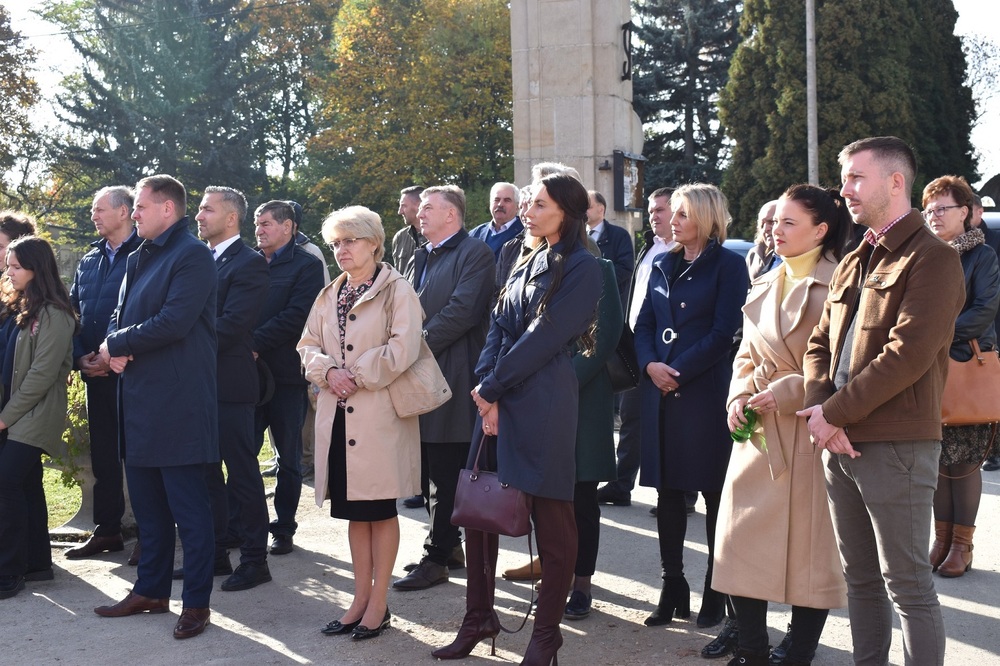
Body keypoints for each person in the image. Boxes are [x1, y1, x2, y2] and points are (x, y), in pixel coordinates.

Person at [799, 136, 965, 666]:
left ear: (896, 183)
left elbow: (908, 354)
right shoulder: (855, 258)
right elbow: (819, 344)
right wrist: (821, 410)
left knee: (909, 588)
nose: (843, 189)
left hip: (896, 445)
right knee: (861, 583)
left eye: (855, 178)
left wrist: (833, 414)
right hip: (839, 443)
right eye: (843, 178)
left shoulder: (933, 259)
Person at [434, 173, 602, 664]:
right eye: (528, 202)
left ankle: (546, 636)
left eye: (539, 204)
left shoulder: (584, 266)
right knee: (478, 515)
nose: (528, 210)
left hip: (544, 400)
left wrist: (492, 387)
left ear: (567, 211)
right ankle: (477, 618)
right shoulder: (523, 256)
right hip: (498, 397)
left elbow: (547, 336)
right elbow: (499, 326)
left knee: (553, 520)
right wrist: (487, 391)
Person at [712, 185, 852, 666]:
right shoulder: (765, 279)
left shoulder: (839, 281)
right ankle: (751, 649)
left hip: (811, 430)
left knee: (811, 555)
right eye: (775, 222)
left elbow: (841, 361)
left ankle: (798, 651)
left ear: (821, 229)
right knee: (738, 544)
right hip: (756, 433)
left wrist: (790, 390)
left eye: (789, 223)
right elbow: (746, 354)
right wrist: (737, 395)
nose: (776, 230)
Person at [94, 175, 218, 640]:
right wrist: (113, 344)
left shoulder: (192, 256)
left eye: (142, 206)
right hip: (140, 402)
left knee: (190, 511)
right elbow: (117, 314)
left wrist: (117, 344)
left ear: (168, 209)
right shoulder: (140, 254)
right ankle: (150, 590)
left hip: (179, 404)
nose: (135, 212)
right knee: (148, 510)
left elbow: (175, 321)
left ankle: (198, 604)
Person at [298, 205, 422, 641]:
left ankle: (380, 602)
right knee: (354, 513)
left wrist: (356, 375)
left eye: (349, 240)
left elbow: (404, 348)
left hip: (378, 417)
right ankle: (358, 599)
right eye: (335, 243)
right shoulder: (329, 293)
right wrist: (328, 373)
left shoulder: (397, 290)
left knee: (380, 509)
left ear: (373, 242)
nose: (341, 250)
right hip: (338, 416)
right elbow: (308, 344)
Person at [633, 183, 748, 630]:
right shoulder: (662, 263)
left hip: (703, 394)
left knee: (714, 494)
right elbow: (642, 324)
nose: (671, 221)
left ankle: (717, 586)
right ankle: (672, 584)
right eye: (671, 214)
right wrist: (648, 366)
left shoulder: (729, 266)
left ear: (704, 217)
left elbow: (725, 332)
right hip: (659, 394)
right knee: (667, 494)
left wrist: (675, 370)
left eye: (681, 214)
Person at [393, 186, 494, 591]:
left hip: (453, 373)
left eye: (430, 207)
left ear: (452, 215)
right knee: (431, 468)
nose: (420, 212)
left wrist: (411, 348)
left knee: (448, 466)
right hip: (422, 372)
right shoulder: (422, 253)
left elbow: (462, 312)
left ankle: (437, 557)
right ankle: (448, 547)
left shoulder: (475, 253)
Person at [193, 186, 272, 591]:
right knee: (206, 474)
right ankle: (217, 554)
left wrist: (179, 344)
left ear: (231, 218)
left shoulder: (249, 263)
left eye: (207, 209)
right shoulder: (196, 259)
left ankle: (256, 560)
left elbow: (232, 325)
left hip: (230, 384)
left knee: (242, 475)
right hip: (196, 387)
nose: (198, 216)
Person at [921, 176, 1000, 579]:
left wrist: (934, 335)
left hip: (965, 367)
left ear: (966, 212)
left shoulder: (981, 256)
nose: (934, 216)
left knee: (964, 462)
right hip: (928, 370)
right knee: (937, 460)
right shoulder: (926, 254)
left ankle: (962, 546)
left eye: (942, 209)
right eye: (929, 209)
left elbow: (984, 312)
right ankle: (942, 537)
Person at [66, 187, 142, 561]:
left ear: (124, 212)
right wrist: (81, 357)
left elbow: (146, 314)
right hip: (95, 375)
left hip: (135, 373)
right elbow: (73, 313)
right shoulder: (90, 259)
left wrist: (117, 353)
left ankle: (149, 535)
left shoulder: (146, 253)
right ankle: (107, 531)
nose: (93, 216)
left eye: (99, 210)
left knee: (143, 455)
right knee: (104, 457)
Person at [0, 237, 77, 599]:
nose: (8, 271)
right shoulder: (21, 305)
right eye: (8, 265)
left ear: (36, 268)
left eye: (15, 266)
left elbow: (42, 376)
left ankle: (8, 571)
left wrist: (5, 417)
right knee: (27, 484)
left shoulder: (55, 313)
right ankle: (37, 563)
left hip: (34, 413)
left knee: (6, 483)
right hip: (15, 412)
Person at [252, 200, 325, 555]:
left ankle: (283, 528)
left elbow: (297, 316)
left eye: (266, 224)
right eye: (257, 224)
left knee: (288, 457)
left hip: (285, 375)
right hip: (245, 374)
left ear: (287, 227)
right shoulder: (249, 262)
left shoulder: (306, 265)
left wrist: (253, 342)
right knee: (242, 454)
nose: (259, 230)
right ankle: (243, 523)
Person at [596, 188, 675, 508]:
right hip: (634, 343)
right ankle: (621, 483)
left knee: (668, 422)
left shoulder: (681, 252)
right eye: (652, 210)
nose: (653, 216)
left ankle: (676, 492)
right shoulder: (649, 248)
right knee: (631, 418)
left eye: (661, 210)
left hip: (665, 349)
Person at [563, 249, 623, 620]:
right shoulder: (530, 263)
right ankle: (555, 574)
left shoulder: (600, 268)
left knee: (580, 498)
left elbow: (606, 336)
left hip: (581, 397)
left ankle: (581, 583)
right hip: (536, 395)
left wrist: (562, 382)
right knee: (545, 499)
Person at [586, 190, 635, 305]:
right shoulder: (578, 236)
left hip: (610, 303)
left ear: (601, 209)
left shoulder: (619, 235)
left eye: (588, 207)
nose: (584, 211)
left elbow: (625, 268)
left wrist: (598, 282)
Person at [469, 182, 523, 259]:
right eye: (496, 200)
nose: (500, 204)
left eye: (507, 200)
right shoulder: (475, 234)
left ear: (517, 206)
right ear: (490, 203)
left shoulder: (525, 234)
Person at [391, 185, 426, 271]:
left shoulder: (439, 235)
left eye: (403, 206)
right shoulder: (400, 237)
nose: (400, 211)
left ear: (419, 206)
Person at [745, 200, 781, 279]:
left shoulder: (794, 256)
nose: (766, 229)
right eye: (762, 224)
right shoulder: (754, 254)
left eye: (772, 222)